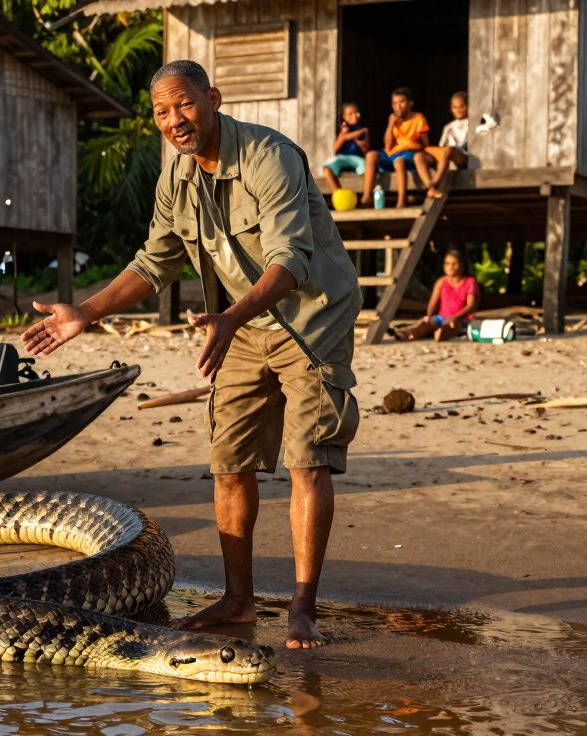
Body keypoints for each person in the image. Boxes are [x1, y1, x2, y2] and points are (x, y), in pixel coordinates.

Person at [21, 60, 361, 650]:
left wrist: (231, 316)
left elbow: (292, 259)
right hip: (237, 326)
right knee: (229, 461)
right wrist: (86, 312)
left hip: (311, 318)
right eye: (162, 111)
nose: (174, 119)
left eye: (184, 104)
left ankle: (302, 610)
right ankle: (237, 600)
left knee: (308, 460)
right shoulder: (175, 177)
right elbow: (153, 263)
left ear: (213, 100)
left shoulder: (270, 156)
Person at [362, 88, 432, 208]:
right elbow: (387, 145)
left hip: (407, 155)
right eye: (394, 103)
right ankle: (366, 196)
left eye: (402, 102)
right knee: (371, 155)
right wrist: (391, 124)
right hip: (391, 154)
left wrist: (416, 147)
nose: (398, 106)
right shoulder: (393, 120)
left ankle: (401, 201)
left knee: (399, 161)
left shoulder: (418, 118)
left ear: (410, 103)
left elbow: (425, 144)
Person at [393, 248, 479, 341]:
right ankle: (409, 334)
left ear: (463, 266)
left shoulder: (470, 282)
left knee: (454, 326)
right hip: (441, 317)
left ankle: (441, 333)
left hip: (461, 319)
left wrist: (455, 317)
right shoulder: (441, 282)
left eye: (454, 264)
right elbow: (433, 303)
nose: (450, 267)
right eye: (447, 263)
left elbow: (470, 306)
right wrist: (429, 316)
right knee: (430, 324)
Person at [425, 91, 470, 197]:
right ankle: (430, 187)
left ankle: (435, 183)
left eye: (461, 107)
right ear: (451, 109)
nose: (458, 110)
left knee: (449, 150)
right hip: (447, 156)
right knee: (422, 153)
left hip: (463, 157)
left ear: (468, 106)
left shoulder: (472, 122)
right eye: (455, 107)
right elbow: (441, 146)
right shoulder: (448, 127)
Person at [321, 102, 370, 195]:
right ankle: (338, 194)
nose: (354, 116)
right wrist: (345, 137)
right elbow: (335, 149)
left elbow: (366, 151)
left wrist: (360, 141)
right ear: (344, 117)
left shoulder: (363, 129)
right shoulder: (344, 128)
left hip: (358, 158)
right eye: (350, 114)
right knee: (327, 169)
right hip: (342, 157)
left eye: (356, 113)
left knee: (368, 169)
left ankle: (366, 195)